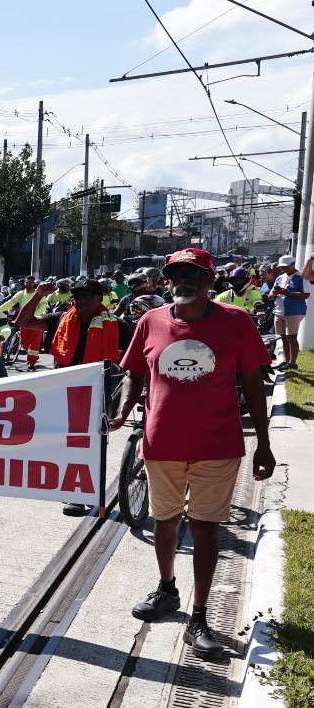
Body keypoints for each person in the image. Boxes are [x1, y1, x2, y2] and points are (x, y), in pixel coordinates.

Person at [112, 248, 275, 657]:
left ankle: (199, 617)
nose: (184, 281)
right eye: (176, 274)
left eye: (194, 274)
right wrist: (122, 413)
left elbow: (253, 384)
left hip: (216, 446)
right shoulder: (150, 321)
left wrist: (264, 443)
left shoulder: (236, 322)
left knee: (205, 529)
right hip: (161, 443)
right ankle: (167, 590)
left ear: (210, 280)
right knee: (164, 523)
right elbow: (134, 372)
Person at [17, 277, 120, 515]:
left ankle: (80, 493)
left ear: (100, 298)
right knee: (67, 443)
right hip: (65, 392)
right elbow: (23, 321)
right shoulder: (60, 318)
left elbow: (131, 356)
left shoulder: (115, 323)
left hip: (97, 394)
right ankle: (74, 490)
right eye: (79, 297)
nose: (83, 301)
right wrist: (38, 295)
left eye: (89, 296)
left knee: (89, 444)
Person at [271, 253, 312, 370]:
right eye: (281, 267)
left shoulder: (302, 277)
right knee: (283, 338)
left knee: (292, 337)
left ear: (293, 264)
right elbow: (271, 295)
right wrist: (274, 294)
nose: (283, 269)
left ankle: (292, 363)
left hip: (294, 311)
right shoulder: (280, 278)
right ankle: (286, 361)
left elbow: (306, 295)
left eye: (285, 266)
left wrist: (288, 293)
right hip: (279, 311)